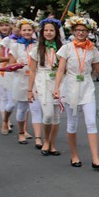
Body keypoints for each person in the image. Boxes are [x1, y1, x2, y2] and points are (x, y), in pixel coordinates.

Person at [53, 16, 99, 169]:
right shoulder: (66, 48)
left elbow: (98, 70)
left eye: (84, 30)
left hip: (86, 86)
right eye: (78, 30)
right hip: (70, 85)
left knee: (91, 122)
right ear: (73, 31)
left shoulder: (92, 48)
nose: (80, 33)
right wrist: (56, 88)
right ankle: (74, 156)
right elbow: (60, 70)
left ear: (88, 32)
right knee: (72, 123)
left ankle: (96, 159)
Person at [27, 18, 63, 155]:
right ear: (42, 32)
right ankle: (46, 140)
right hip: (43, 80)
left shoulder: (62, 48)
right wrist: (29, 90)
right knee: (47, 114)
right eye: (46, 30)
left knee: (56, 116)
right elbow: (32, 70)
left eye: (51, 30)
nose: (48, 33)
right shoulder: (36, 49)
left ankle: (52, 143)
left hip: (58, 81)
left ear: (56, 32)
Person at [8, 19, 41, 145]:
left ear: (33, 31)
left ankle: (38, 138)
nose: (27, 32)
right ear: (20, 32)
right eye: (24, 30)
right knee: (22, 109)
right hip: (21, 79)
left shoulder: (37, 45)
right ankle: (21, 132)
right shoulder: (15, 46)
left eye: (29, 30)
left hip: (34, 79)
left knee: (36, 108)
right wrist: (18, 65)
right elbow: (10, 65)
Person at [0, 16, 16, 135]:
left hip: (13, 69)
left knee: (12, 96)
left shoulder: (15, 39)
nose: (4, 28)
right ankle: (5, 121)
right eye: (1, 25)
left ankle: (8, 117)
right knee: (3, 96)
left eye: (6, 25)